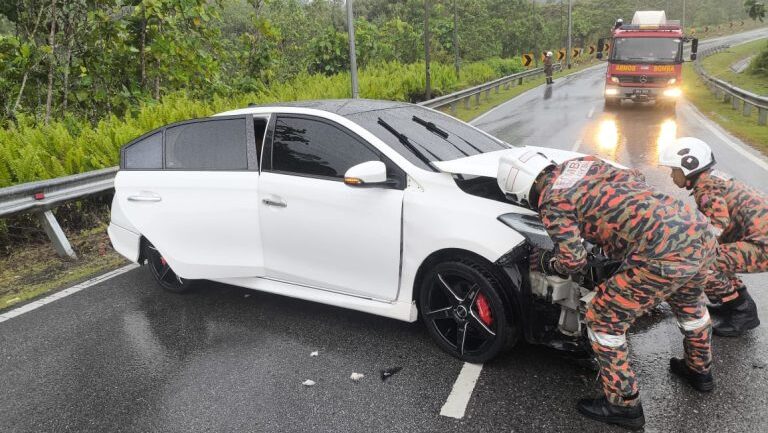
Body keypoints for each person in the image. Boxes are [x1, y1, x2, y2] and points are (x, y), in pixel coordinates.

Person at [497, 151, 717, 429]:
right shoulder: (582, 163)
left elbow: (573, 261)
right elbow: (635, 176)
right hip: (697, 231)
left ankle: (623, 405)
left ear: (520, 192)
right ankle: (699, 371)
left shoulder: (551, 202)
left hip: (663, 254)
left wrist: (548, 262)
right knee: (690, 306)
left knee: (603, 320)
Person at [659, 137, 767, 336]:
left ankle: (741, 312)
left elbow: (718, 224)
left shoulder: (706, 188)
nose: (672, 176)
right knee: (715, 254)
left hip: (763, 246)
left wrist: (686, 247)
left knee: (701, 261)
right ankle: (736, 305)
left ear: (689, 167)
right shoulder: (712, 179)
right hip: (760, 240)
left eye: (674, 170)